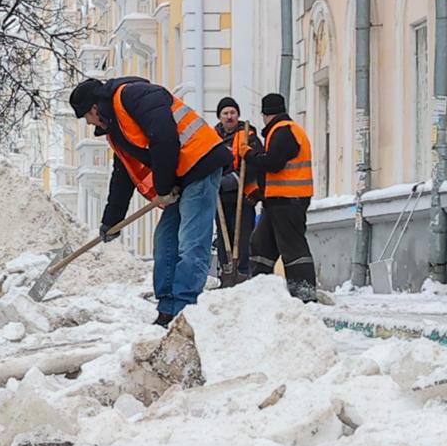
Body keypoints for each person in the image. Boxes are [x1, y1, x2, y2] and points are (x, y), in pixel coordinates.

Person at [68, 75, 229, 325]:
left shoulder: (133, 95)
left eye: (86, 118)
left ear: (94, 108)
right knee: (164, 240)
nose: (90, 124)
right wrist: (111, 221)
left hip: (201, 161)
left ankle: (184, 309)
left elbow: (164, 138)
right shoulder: (116, 129)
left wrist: (164, 187)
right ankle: (167, 308)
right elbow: (123, 175)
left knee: (191, 241)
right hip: (178, 175)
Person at [245, 91, 320, 298]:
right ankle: (260, 290)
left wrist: (249, 155)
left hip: (289, 200)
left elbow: (273, 163)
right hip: (277, 200)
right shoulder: (284, 130)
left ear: (265, 114)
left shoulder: (284, 131)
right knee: (261, 244)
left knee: (292, 247)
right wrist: (262, 192)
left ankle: (304, 293)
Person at [212, 97, 258, 278]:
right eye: (225, 113)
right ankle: (226, 270)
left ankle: (243, 271)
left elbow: (254, 164)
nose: (229, 117)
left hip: (243, 196)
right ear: (220, 116)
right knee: (224, 237)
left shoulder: (248, 136)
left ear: (238, 115)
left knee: (243, 236)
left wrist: (233, 179)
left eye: (232, 113)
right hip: (220, 199)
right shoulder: (211, 137)